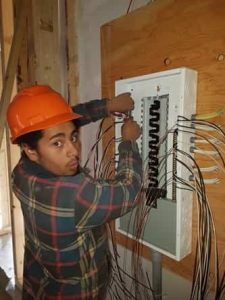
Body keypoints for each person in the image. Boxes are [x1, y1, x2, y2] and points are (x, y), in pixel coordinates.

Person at [6, 85, 142, 299]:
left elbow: (60, 122)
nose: (73, 151)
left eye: (73, 137)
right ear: (30, 149)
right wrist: (129, 142)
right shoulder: (77, 195)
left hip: (38, 284)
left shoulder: (21, 172)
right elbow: (130, 191)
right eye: (58, 144)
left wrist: (106, 106)